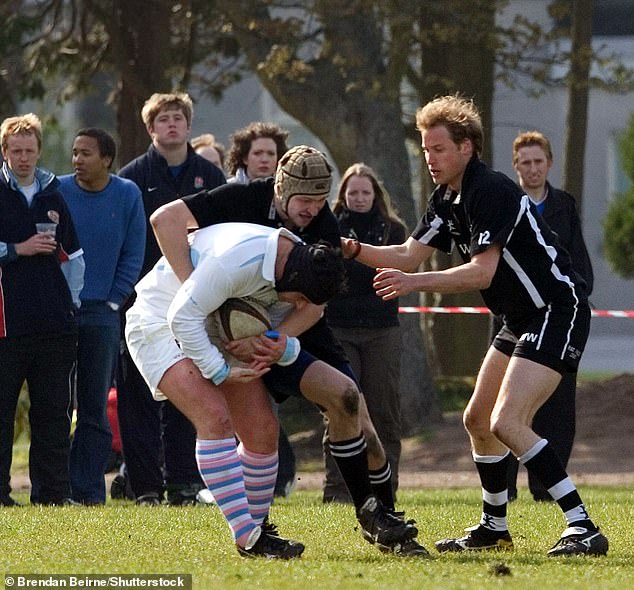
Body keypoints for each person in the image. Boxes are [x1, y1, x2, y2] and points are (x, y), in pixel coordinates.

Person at [340, 95, 608, 557]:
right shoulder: (447, 197)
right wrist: (350, 249)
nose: (430, 159)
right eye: (425, 150)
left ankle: (583, 526)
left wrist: (411, 283)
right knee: (477, 419)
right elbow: (407, 253)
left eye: (438, 149)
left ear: (467, 147)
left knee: (507, 422)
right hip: (519, 317)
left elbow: (480, 273)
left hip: (555, 310)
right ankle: (494, 526)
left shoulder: (492, 190)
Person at [150, 145, 428, 557]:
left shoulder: (324, 226)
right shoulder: (247, 196)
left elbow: (315, 304)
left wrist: (276, 338)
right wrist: (202, 295)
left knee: (353, 407)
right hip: (232, 325)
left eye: (320, 200)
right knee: (252, 428)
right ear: (280, 189)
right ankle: (257, 527)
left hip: (291, 324)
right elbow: (165, 219)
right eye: (304, 200)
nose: (313, 210)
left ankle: (378, 514)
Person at [125, 221, 346, 557]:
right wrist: (219, 371)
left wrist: (278, 344)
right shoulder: (236, 262)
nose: (300, 304)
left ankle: (257, 532)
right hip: (158, 321)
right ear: (292, 278)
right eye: (298, 297)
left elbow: (313, 308)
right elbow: (182, 317)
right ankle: (247, 536)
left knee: (262, 429)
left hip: (212, 326)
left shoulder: (302, 261)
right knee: (214, 417)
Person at [116, 92, 226, 505]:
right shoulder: (131, 178)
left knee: (189, 389)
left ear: (189, 125)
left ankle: (184, 483)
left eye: (178, 118)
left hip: (198, 300)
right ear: (150, 128)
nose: (172, 125)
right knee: (138, 397)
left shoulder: (210, 177)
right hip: (142, 303)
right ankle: (145, 486)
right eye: (163, 119)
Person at [502, 130, 594, 502]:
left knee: (557, 409)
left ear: (550, 164)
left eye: (539, 161)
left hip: (559, 319)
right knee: (503, 406)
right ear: (516, 167)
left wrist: (576, 297)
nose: (533, 168)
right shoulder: (505, 205)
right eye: (526, 162)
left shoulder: (564, 206)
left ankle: (545, 489)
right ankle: (502, 489)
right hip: (516, 316)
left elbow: (578, 263)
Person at [0, 113, 85, 506]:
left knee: (53, 413)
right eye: (16, 150)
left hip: (53, 325)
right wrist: (18, 250)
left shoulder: (53, 194)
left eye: (29, 150)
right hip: (5, 325)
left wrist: (71, 305)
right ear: (4, 152)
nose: (23, 158)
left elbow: (76, 256)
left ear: (38, 151)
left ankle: (52, 494)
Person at [59, 128, 146, 505]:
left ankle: (88, 491)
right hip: (60, 313)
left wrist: (114, 300)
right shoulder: (57, 190)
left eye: (86, 154)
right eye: (75, 153)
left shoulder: (127, 194)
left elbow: (133, 253)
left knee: (93, 407)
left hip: (103, 314)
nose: (78, 160)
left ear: (107, 160)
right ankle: (53, 488)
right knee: (55, 406)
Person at [323, 163, 408, 503]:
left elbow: (393, 273)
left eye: (365, 192)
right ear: (342, 196)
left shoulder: (394, 231)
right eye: (353, 192)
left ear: (376, 195)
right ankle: (337, 490)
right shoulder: (329, 229)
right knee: (341, 406)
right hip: (339, 329)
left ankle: (387, 488)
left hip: (381, 330)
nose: (359, 198)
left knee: (384, 410)